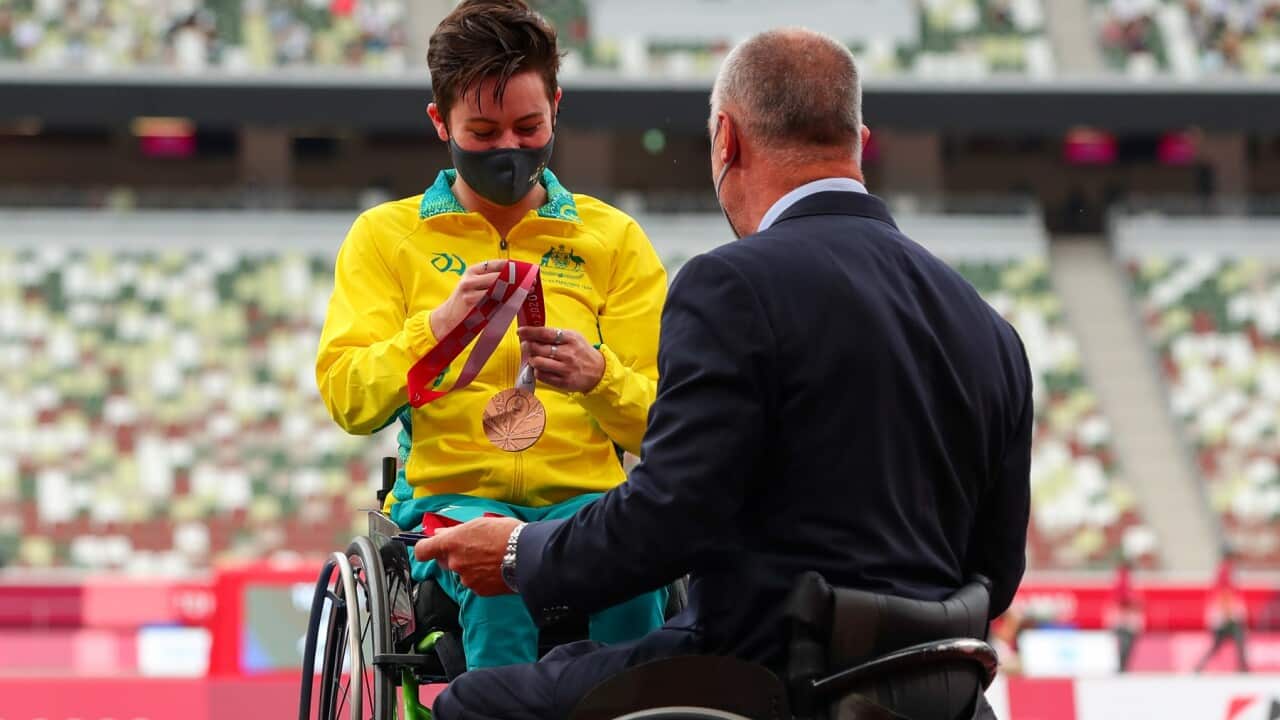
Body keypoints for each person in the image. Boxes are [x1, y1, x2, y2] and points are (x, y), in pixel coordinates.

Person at [416, 27, 1033, 720]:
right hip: (936, 692)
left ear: (726, 140)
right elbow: (997, 574)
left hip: (757, 676)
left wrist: (517, 553)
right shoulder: (992, 332)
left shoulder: (731, 285)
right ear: (858, 140)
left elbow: (670, 519)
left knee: (477, 701)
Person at [314, 0, 669, 671]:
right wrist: (436, 330)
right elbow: (349, 399)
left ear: (556, 108)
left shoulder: (614, 241)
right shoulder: (386, 239)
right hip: (449, 505)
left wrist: (599, 378)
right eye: (482, 130)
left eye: (528, 126)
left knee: (634, 583)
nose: (509, 147)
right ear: (439, 122)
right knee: (499, 581)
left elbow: (664, 424)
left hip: (588, 507)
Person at [1194, 547, 1250, 673]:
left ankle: (1200, 666)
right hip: (1224, 612)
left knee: (1219, 642)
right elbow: (1224, 593)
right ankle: (1243, 666)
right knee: (1238, 635)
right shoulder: (1226, 570)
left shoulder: (1224, 569)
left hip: (1222, 611)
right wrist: (1229, 613)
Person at [1104, 557, 1145, 672]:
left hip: (1124, 618)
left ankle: (1122, 667)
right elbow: (1123, 600)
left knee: (1125, 644)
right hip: (1124, 619)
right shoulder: (1124, 579)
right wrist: (1135, 603)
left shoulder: (1124, 579)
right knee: (1125, 644)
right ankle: (1122, 667)